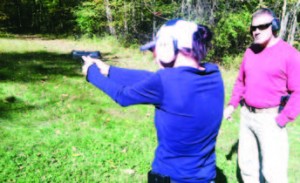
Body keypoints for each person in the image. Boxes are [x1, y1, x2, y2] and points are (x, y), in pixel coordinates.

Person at [82, 19, 224, 183]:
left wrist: (92, 73)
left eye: (155, 51)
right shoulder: (213, 74)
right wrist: (109, 70)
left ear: (167, 47)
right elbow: (153, 78)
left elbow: (123, 96)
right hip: (206, 177)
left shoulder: (165, 81)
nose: (155, 57)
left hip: (173, 178)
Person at [224, 8, 300, 183]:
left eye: (262, 26)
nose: (256, 31)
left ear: (273, 26)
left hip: (270, 119)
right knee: (247, 168)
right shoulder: (250, 51)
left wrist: (282, 119)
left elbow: (298, 91)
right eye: (253, 28)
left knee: (273, 173)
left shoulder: (290, 55)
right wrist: (232, 105)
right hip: (247, 116)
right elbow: (240, 82)